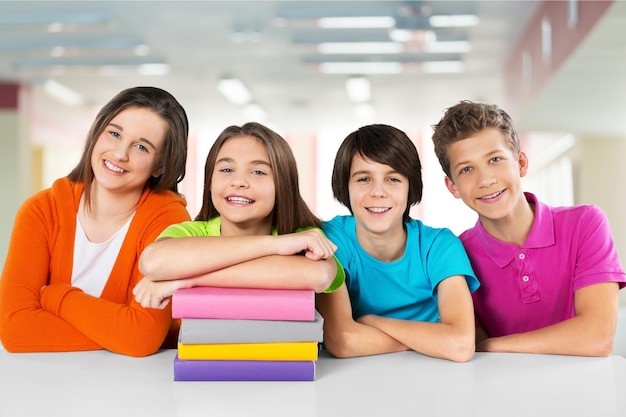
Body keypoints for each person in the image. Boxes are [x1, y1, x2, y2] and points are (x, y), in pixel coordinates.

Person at [0, 86, 190, 357]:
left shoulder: (168, 222)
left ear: (160, 166)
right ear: (96, 133)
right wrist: (120, 331)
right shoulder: (41, 211)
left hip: (135, 387)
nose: (119, 153)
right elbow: (15, 330)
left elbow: (141, 338)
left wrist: (57, 297)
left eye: (141, 147)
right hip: (45, 384)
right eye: (114, 133)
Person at [431, 100, 626, 356]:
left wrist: (487, 346)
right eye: (467, 169)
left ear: (521, 163)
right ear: (452, 186)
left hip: (584, 391)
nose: (486, 179)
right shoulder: (455, 255)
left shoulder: (584, 224)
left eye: (495, 159)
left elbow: (597, 337)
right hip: (499, 393)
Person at [132, 122, 344, 310]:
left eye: (259, 172)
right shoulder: (190, 233)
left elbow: (319, 275)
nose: (239, 181)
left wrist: (185, 278)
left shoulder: (305, 236)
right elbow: (153, 263)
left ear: (283, 186)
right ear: (209, 183)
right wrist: (276, 246)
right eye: (226, 169)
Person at [316, 124, 479, 363]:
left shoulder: (440, 246)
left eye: (393, 179)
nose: (378, 192)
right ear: (345, 187)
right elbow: (343, 340)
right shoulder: (331, 239)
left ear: (410, 186)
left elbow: (460, 344)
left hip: (434, 375)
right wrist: (429, 341)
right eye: (363, 179)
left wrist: (373, 322)